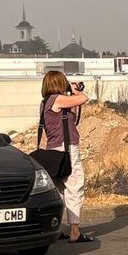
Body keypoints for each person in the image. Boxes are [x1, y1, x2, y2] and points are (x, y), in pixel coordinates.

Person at [40, 70, 93, 243]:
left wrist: (71, 92)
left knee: (60, 191)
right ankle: (74, 231)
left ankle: (56, 228)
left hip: (53, 150)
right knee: (75, 186)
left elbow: (73, 114)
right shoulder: (57, 99)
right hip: (67, 149)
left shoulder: (46, 102)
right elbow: (83, 98)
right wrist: (74, 89)